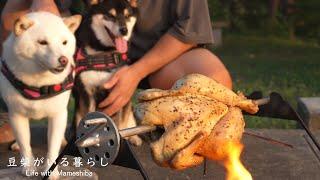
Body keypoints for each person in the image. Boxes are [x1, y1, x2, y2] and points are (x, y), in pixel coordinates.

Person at [0, 0, 232, 137]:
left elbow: (190, 30)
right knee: (16, 10)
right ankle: (13, 111)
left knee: (215, 81)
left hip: (156, 56)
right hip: (87, 53)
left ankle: (159, 118)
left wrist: (136, 72)